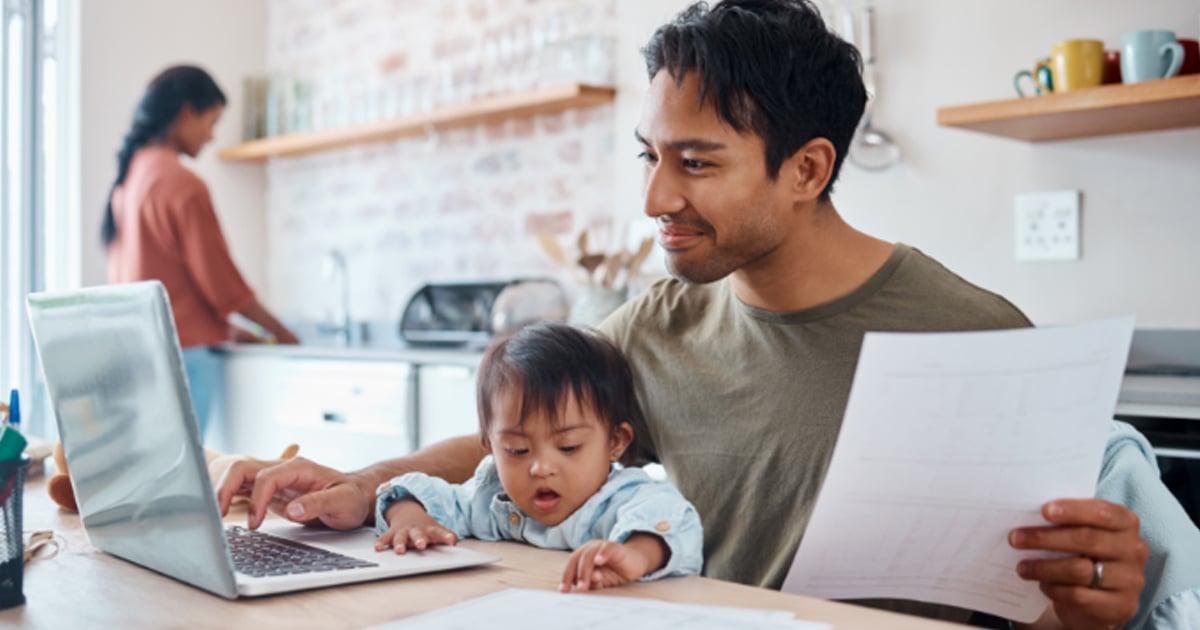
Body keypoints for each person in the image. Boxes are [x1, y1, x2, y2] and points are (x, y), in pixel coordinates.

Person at [215, 2, 1186, 627]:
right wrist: (362, 483)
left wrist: (1093, 611)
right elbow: (513, 442)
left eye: (697, 162)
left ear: (808, 167)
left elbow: (1055, 605)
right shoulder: (658, 323)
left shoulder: (977, 336)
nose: (654, 199)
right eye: (650, 155)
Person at [373, 322, 702, 591]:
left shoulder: (622, 498)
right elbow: (422, 493)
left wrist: (633, 555)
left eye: (569, 447)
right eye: (517, 450)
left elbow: (671, 520)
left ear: (615, 442)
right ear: (490, 446)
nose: (541, 468)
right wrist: (408, 517)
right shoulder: (494, 498)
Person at [102, 65, 298, 439]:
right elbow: (222, 286)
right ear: (188, 111)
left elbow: (166, 286)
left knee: (158, 480)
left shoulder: (128, 181)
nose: (211, 136)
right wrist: (282, 333)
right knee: (191, 479)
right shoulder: (182, 184)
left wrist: (228, 331)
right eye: (212, 121)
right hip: (184, 360)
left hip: (139, 354)